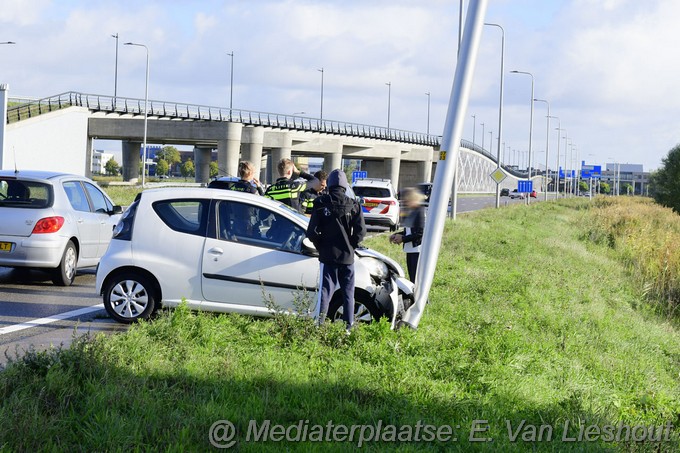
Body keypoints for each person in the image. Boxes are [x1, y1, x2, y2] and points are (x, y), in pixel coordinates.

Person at [306, 169, 366, 331]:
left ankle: (319, 324)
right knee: (348, 293)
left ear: (330, 184)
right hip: (347, 257)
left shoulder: (320, 203)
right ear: (345, 185)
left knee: (325, 291)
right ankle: (348, 327)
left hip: (327, 256)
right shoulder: (354, 205)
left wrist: (321, 246)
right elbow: (361, 233)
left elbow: (311, 233)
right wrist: (350, 246)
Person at [389, 187, 426, 283]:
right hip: (410, 249)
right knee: (412, 278)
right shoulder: (412, 211)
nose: (404, 202)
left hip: (417, 250)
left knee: (416, 279)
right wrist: (396, 235)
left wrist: (403, 239)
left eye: (406, 199)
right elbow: (408, 231)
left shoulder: (419, 212)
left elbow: (420, 233)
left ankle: (420, 298)